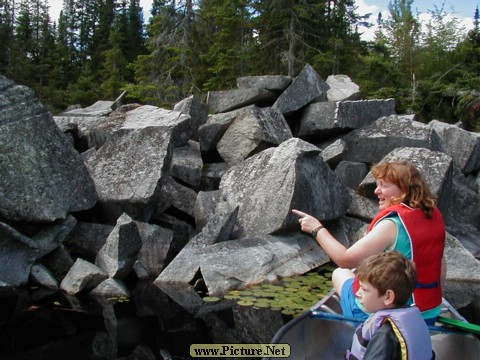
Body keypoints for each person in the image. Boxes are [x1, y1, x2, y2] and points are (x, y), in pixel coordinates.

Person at [292, 160, 446, 325]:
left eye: (384, 186)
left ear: (403, 190)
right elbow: (441, 269)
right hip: (429, 313)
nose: (376, 191)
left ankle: (358, 324)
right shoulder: (433, 214)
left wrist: (316, 229)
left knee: (340, 273)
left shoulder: (392, 224)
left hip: (390, 320)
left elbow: (344, 259)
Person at [345, 251, 434, 360]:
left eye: (364, 289)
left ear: (388, 297)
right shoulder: (412, 319)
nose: (358, 293)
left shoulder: (385, 335)